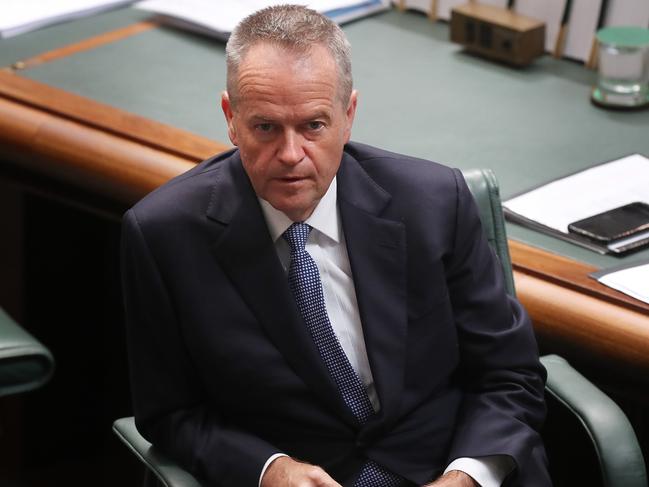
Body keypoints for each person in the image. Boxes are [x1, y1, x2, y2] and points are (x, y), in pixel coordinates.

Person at [121, 5, 550, 487]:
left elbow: (510, 375)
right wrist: (268, 470)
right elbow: (170, 413)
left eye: (313, 126)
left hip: (447, 466)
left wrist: (467, 476)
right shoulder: (164, 235)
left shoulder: (434, 204)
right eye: (265, 127)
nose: (290, 154)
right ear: (231, 118)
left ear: (348, 117)